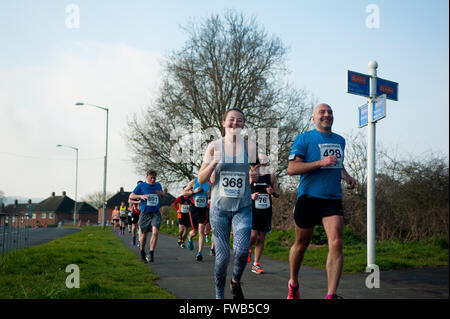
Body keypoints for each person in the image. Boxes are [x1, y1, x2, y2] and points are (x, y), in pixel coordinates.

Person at [287, 103, 356, 299]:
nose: (327, 115)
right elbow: (292, 169)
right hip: (308, 198)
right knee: (301, 245)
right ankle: (293, 283)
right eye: (322, 112)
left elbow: (338, 164)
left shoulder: (340, 140)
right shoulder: (304, 139)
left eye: (330, 112)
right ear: (314, 118)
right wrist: (320, 162)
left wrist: (347, 176)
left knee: (336, 242)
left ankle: (331, 295)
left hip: (332, 199)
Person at [197, 108, 257, 299]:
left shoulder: (250, 147)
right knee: (222, 258)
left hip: (243, 207)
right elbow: (200, 178)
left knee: (241, 251)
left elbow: (259, 169)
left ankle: (235, 281)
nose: (235, 123)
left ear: (243, 125)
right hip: (219, 208)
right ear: (223, 123)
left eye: (240, 121)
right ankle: (219, 296)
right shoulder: (214, 146)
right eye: (231, 120)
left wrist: (255, 174)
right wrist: (213, 164)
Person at [247, 153, 280, 274]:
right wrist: (251, 195)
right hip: (253, 210)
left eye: (266, 163)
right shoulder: (250, 176)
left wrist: (272, 192)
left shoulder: (271, 177)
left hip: (266, 211)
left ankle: (256, 264)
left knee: (261, 238)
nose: (264, 165)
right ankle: (248, 248)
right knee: (253, 236)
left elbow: (278, 194)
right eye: (261, 163)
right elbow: (243, 193)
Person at [129, 170, 165, 263]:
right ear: (147, 177)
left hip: (155, 213)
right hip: (145, 213)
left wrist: (161, 194)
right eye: (151, 178)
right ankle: (142, 253)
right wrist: (141, 196)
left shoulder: (158, 185)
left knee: (155, 232)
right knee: (144, 236)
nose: (153, 180)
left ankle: (151, 253)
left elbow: (163, 195)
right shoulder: (141, 186)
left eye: (154, 178)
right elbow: (131, 196)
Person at [182, 178, 211, 261]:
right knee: (195, 231)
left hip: (203, 209)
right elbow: (184, 193)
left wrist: (209, 198)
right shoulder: (194, 182)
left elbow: (211, 195)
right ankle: (189, 237)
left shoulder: (209, 184)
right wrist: (193, 192)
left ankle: (199, 253)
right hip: (194, 209)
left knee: (201, 230)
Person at [129, 180, 143, 246]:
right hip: (134, 212)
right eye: (138, 185)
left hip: (142, 212)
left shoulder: (144, 193)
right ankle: (134, 238)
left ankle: (139, 241)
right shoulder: (135, 193)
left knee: (140, 226)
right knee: (134, 227)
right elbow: (129, 201)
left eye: (141, 184)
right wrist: (137, 202)